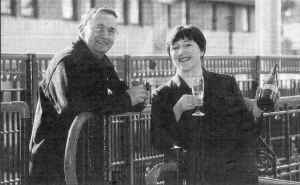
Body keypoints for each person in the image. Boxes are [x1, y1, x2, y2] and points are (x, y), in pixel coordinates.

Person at [28, 8, 148, 185]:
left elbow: (120, 96)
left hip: (85, 160)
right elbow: (77, 106)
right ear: (82, 29)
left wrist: (138, 97)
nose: (105, 35)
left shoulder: (100, 60)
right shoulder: (68, 61)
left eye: (111, 30)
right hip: (55, 166)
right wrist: (127, 99)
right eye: (99, 28)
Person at [151, 25, 263, 185]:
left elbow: (246, 131)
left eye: (188, 45)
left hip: (234, 172)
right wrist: (177, 109)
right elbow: (158, 141)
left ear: (202, 50)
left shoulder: (225, 83)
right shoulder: (162, 94)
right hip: (193, 175)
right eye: (175, 48)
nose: (181, 52)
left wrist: (258, 110)